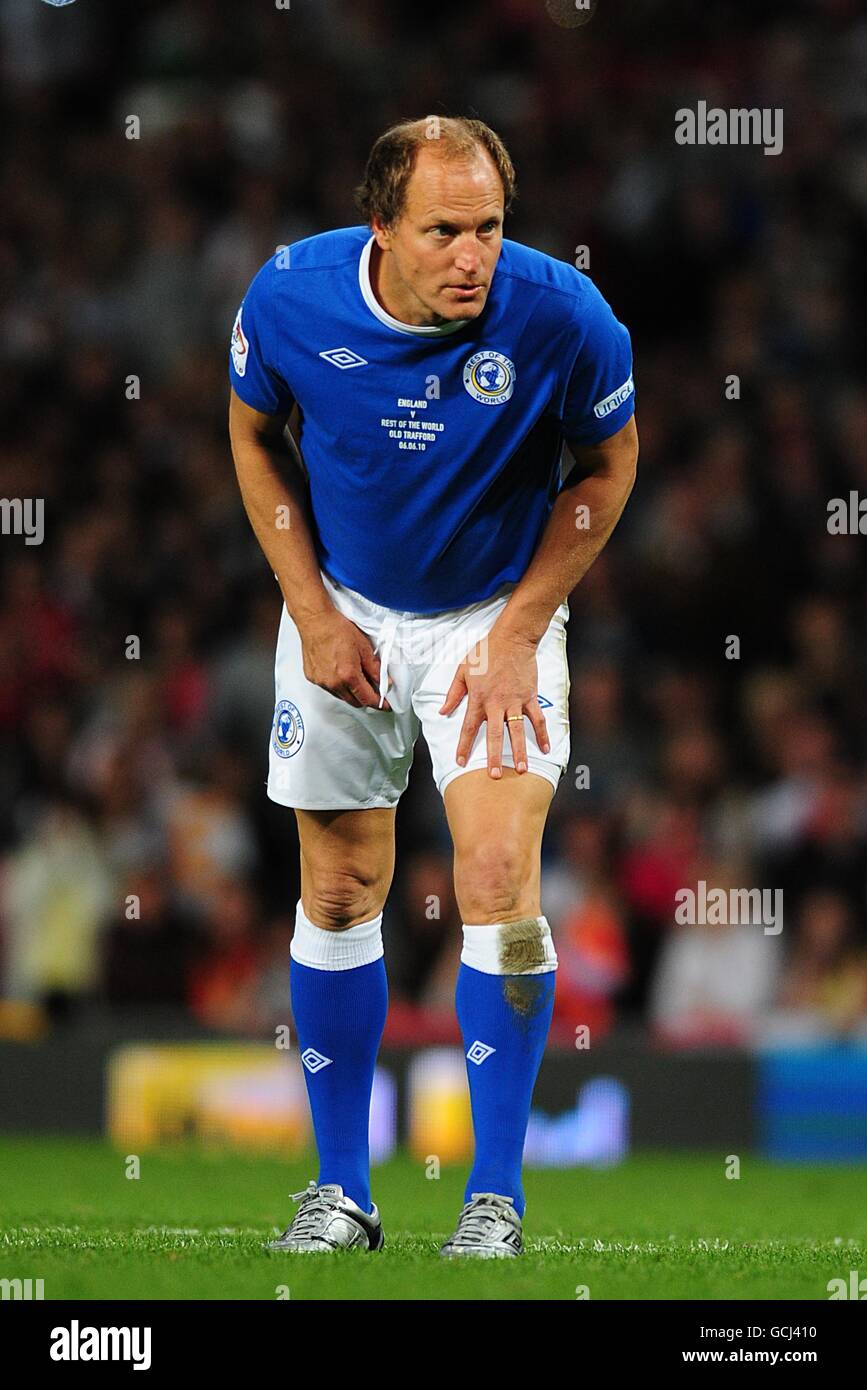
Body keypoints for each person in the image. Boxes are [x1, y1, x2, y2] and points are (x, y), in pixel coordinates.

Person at [228, 115, 638, 1257]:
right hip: (343, 605)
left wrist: (523, 626)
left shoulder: (564, 316)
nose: (476, 256)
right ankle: (340, 1194)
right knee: (345, 886)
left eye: (492, 227)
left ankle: (494, 1201)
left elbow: (611, 463)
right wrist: (311, 610)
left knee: (500, 873)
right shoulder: (290, 297)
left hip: (491, 616)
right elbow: (253, 433)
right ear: (382, 228)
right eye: (445, 231)